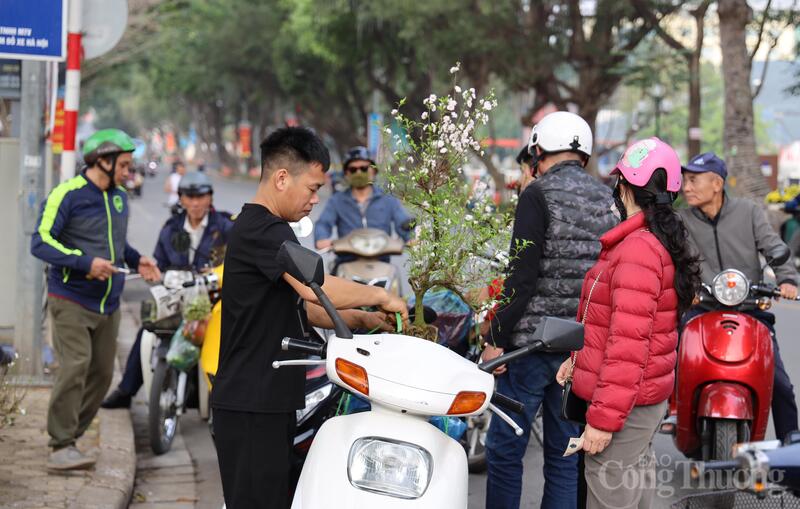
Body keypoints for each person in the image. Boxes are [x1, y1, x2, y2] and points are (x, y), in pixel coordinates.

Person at [210, 127, 408, 509]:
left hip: (271, 400)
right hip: (251, 403)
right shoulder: (261, 229)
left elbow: (302, 305)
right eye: (313, 188)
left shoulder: (272, 231)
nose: (316, 200)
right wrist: (381, 295)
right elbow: (313, 284)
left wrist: (362, 320)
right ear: (282, 178)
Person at [481, 111, 617, 509]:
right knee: (563, 458)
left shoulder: (536, 195)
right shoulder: (608, 198)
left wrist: (495, 341)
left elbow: (520, 278)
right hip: (580, 350)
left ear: (538, 151)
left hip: (529, 348)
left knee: (506, 450)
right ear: (585, 155)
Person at [555, 138, 700, 508]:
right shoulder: (652, 242)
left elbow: (628, 345)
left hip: (625, 405)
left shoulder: (638, 249)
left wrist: (603, 420)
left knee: (611, 493)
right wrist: (578, 359)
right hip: (639, 398)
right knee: (636, 496)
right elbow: (626, 328)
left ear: (625, 187)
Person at [31, 129, 161, 470]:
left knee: (102, 375)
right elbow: (41, 241)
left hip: (109, 303)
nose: (128, 172)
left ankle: (71, 436)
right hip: (70, 297)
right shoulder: (68, 194)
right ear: (102, 160)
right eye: (124, 164)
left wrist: (137, 260)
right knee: (75, 366)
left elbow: (117, 246)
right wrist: (84, 262)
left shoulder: (118, 197)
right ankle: (60, 445)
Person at [679, 151, 799, 441]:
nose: (686, 187)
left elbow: (773, 247)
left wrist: (787, 281)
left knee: (780, 383)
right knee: (672, 367)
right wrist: (683, 287)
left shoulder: (748, 212)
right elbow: (671, 258)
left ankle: (791, 448)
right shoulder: (681, 219)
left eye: (694, 180)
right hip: (701, 310)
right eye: (685, 180)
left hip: (749, 310)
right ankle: (672, 418)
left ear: (717, 184)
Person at [100, 171, 233, 409]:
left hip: (213, 300)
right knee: (149, 329)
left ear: (210, 197)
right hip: (179, 297)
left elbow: (234, 264)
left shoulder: (225, 226)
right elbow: (159, 263)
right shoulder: (171, 228)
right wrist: (155, 273)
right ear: (180, 198)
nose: (194, 203)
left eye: (200, 197)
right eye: (188, 197)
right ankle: (126, 390)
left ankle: (221, 394)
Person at [314, 146, 413, 262]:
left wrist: (410, 237)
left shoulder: (388, 199)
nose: (359, 172)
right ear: (346, 173)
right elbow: (323, 223)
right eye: (353, 170)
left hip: (382, 263)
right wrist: (321, 238)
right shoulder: (336, 201)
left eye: (364, 168)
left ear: (373, 170)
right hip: (347, 263)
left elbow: (403, 222)